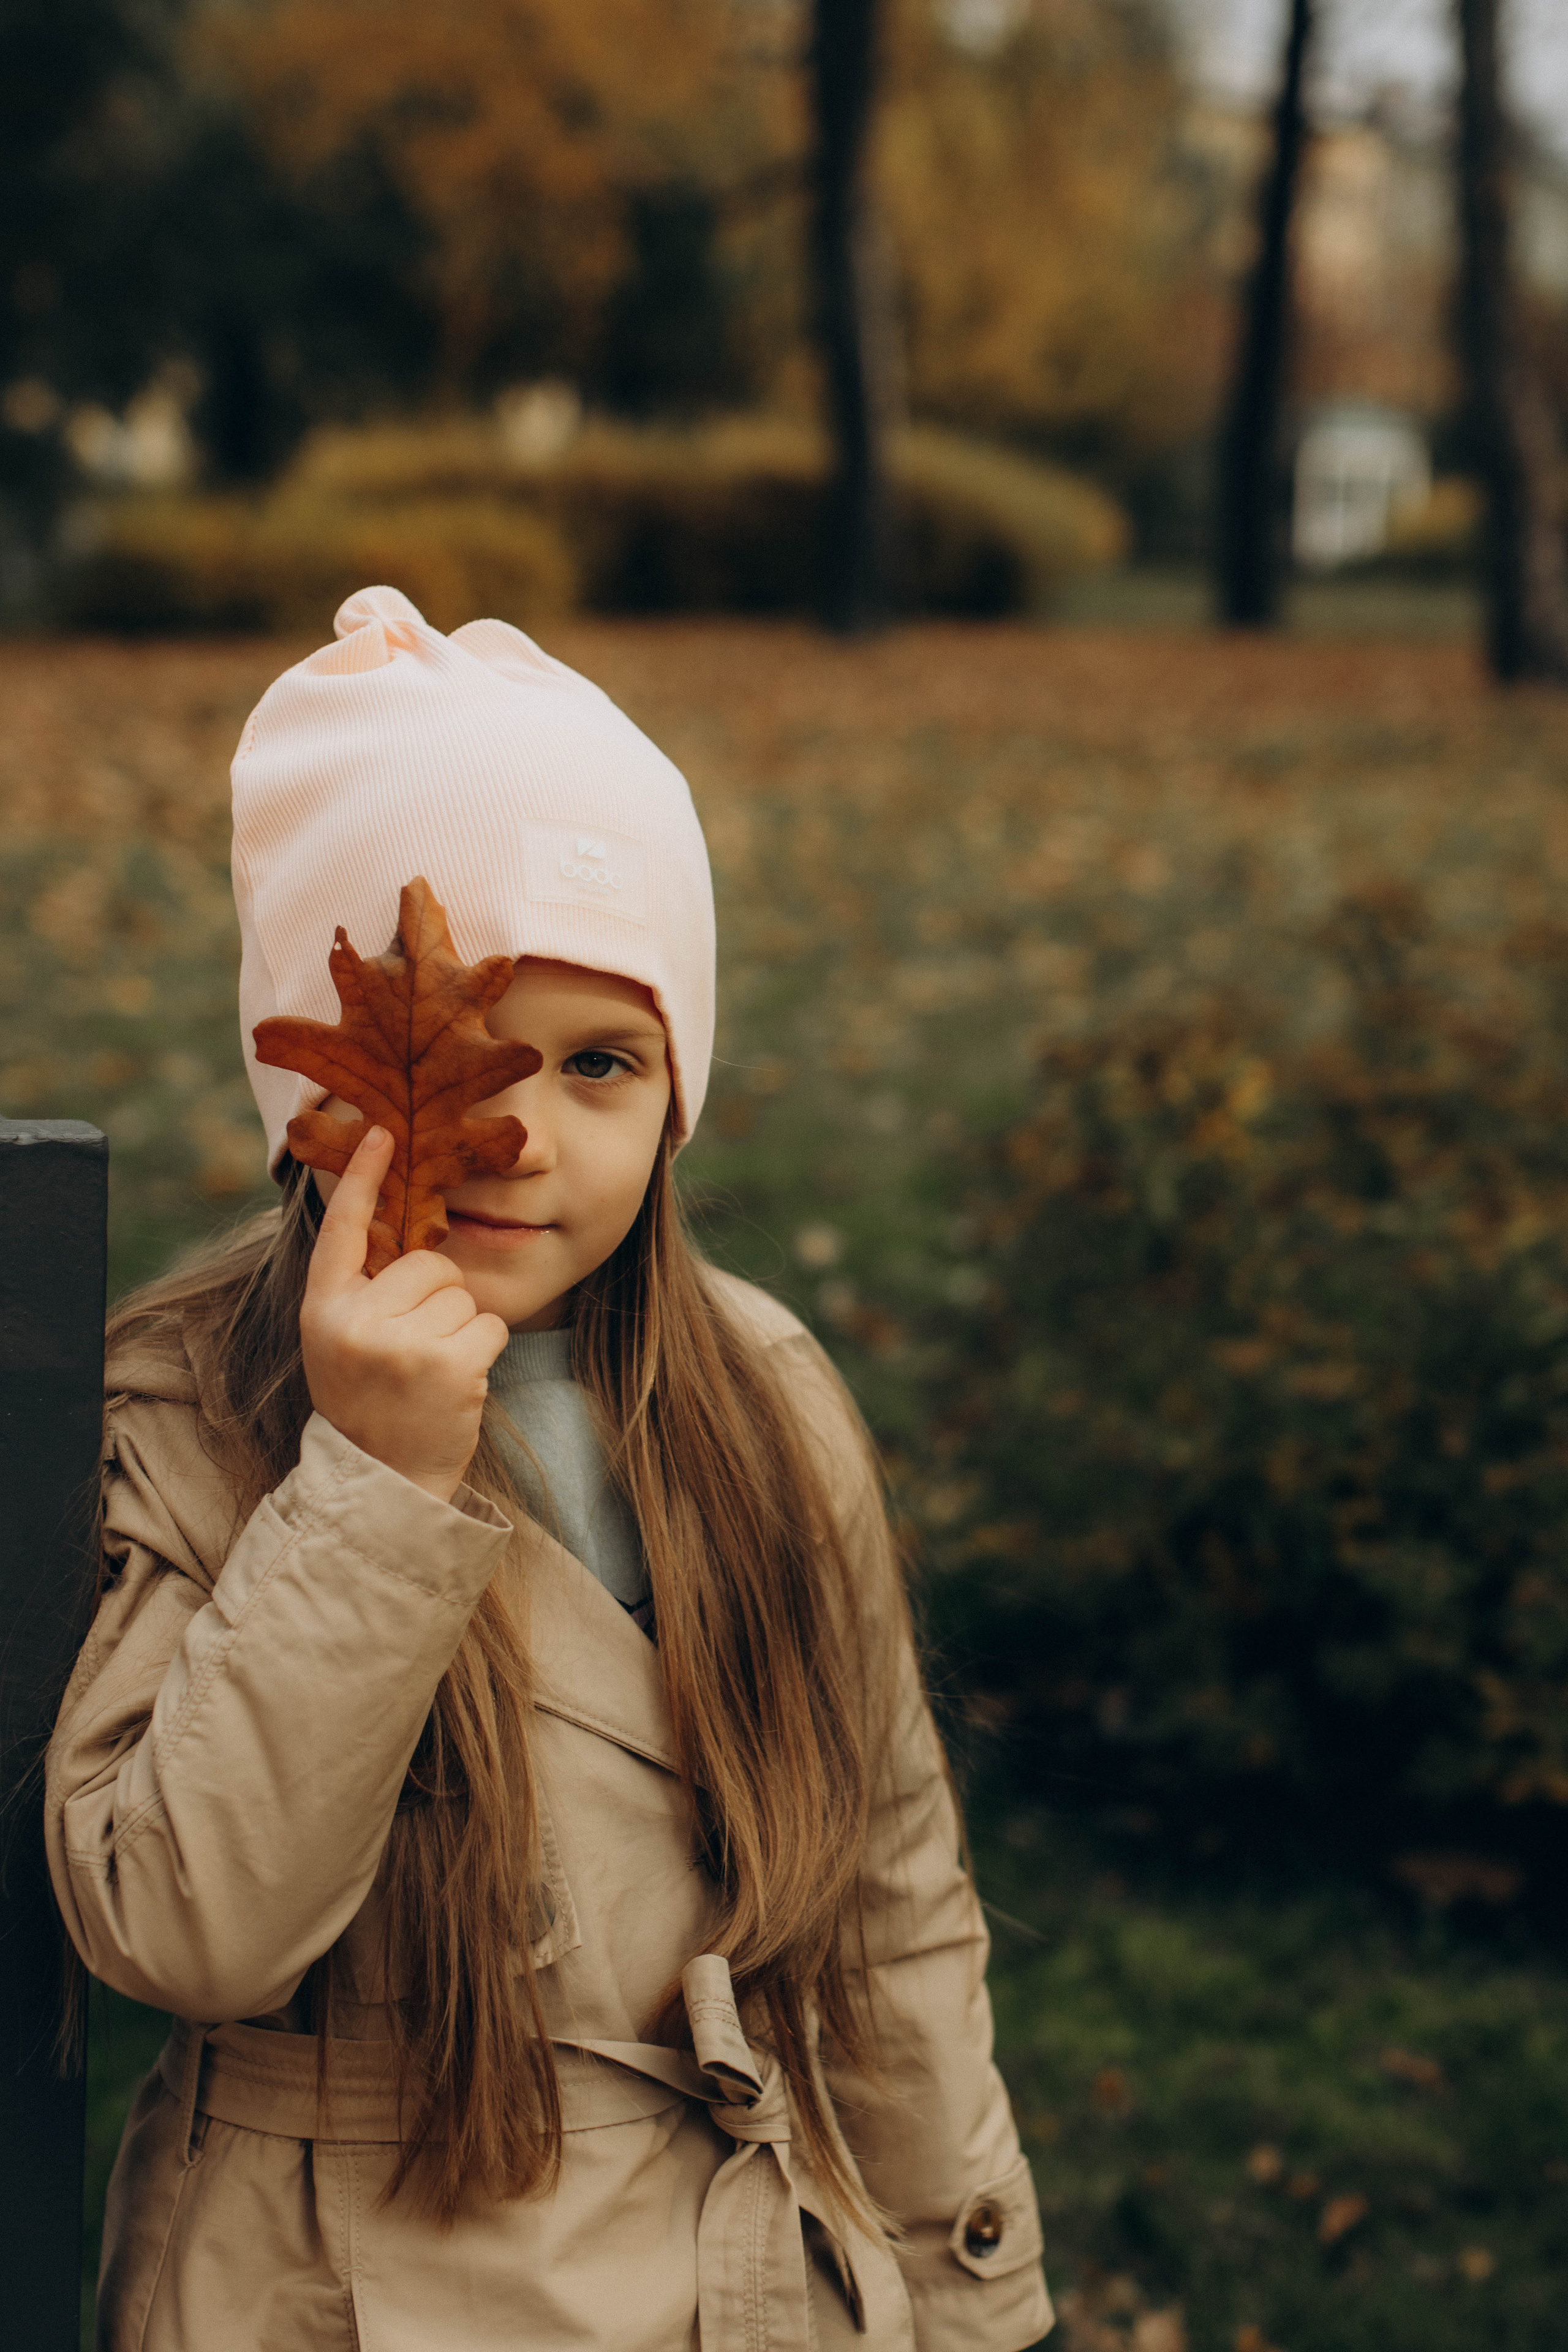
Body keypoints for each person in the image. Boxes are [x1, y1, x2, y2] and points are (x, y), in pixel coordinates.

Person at [46, 585, 1052, 2352]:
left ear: (678, 1097)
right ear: (313, 1078)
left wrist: (981, 2293)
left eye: (600, 1063)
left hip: (743, 2280)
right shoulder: (192, 1412)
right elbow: (185, 1929)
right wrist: (366, 1482)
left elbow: (891, 1895)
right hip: (342, 2286)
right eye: (456, 1062)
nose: (520, 1140)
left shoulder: (766, 1401)